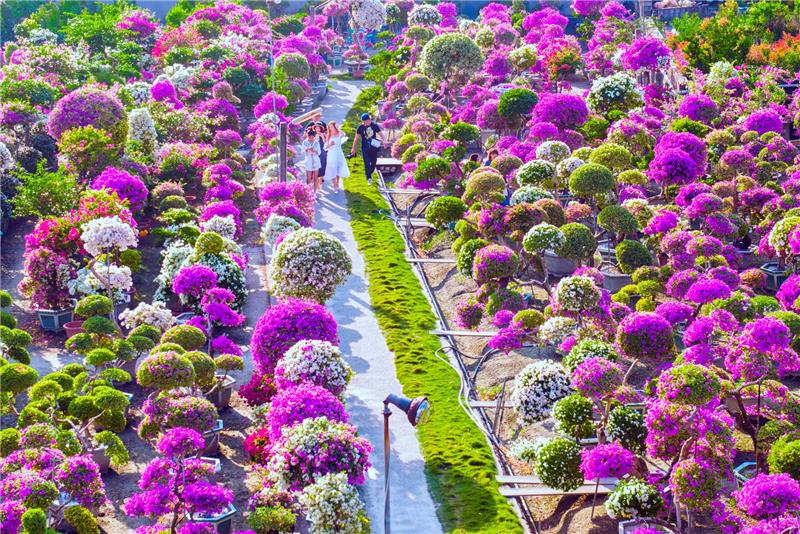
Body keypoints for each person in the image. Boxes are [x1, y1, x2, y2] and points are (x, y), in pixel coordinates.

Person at [351, 113, 384, 185]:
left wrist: (384, 141)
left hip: (373, 147)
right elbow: (356, 138)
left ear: (369, 120)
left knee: (373, 162)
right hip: (365, 147)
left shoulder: (374, 126)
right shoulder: (361, 127)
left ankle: (369, 173)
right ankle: (368, 178)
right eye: (363, 121)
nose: (365, 122)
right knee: (366, 162)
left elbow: (381, 134)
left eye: (366, 121)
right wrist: (353, 148)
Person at [324, 120, 350, 194]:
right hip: (331, 154)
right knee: (332, 169)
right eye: (329, 127)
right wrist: (330, 145)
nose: (330, 128)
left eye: (332, 127)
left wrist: (338, 128)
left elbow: (345, 135)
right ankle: (335, 186)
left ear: (335, 127)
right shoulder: (328, 136)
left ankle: (337, 183)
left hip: (339, 153)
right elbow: (325, 148)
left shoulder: (339, 134)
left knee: (338, 169)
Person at [302, 127, 321, 194]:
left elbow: (319, 152)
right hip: (308, 161)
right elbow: (302, 151)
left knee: (316, 178)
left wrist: (315, 151)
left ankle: (315, 192)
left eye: (312, 137)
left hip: (316, 161)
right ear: (308, 136)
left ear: (314, 136)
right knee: (308, 178)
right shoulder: (305, 142)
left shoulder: (316, 143)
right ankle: (308, 192)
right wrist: (307, 149)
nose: (311, 138)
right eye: (310, 137)